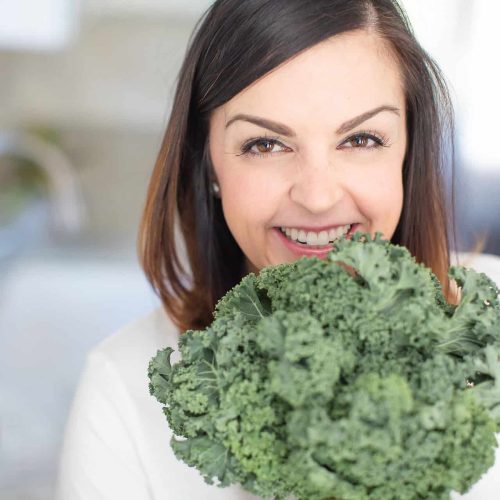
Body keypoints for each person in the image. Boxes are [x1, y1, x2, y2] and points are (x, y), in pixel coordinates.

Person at [55, 0, 500, 498]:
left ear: (409, 151)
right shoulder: (121, 395)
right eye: (265, 144)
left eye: (361, 138)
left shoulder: (490, 317)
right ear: (208, 167)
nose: (317, 196)